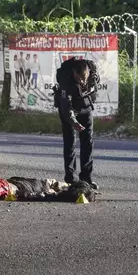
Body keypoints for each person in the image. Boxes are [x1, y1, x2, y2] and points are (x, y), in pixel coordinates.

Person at [54, 58, 100, 189]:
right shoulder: (66, 82)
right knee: (70, 143)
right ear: (74, 73)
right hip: (69, 109)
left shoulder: (92, 72)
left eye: (84, 80)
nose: (82, 82)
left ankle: (86, 178)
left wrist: (87, 83)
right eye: (79, 80)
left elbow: (95, 85)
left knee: (88, 142)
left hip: (86, 106)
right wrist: (74, 122)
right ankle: (71, 179)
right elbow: (66, 107)